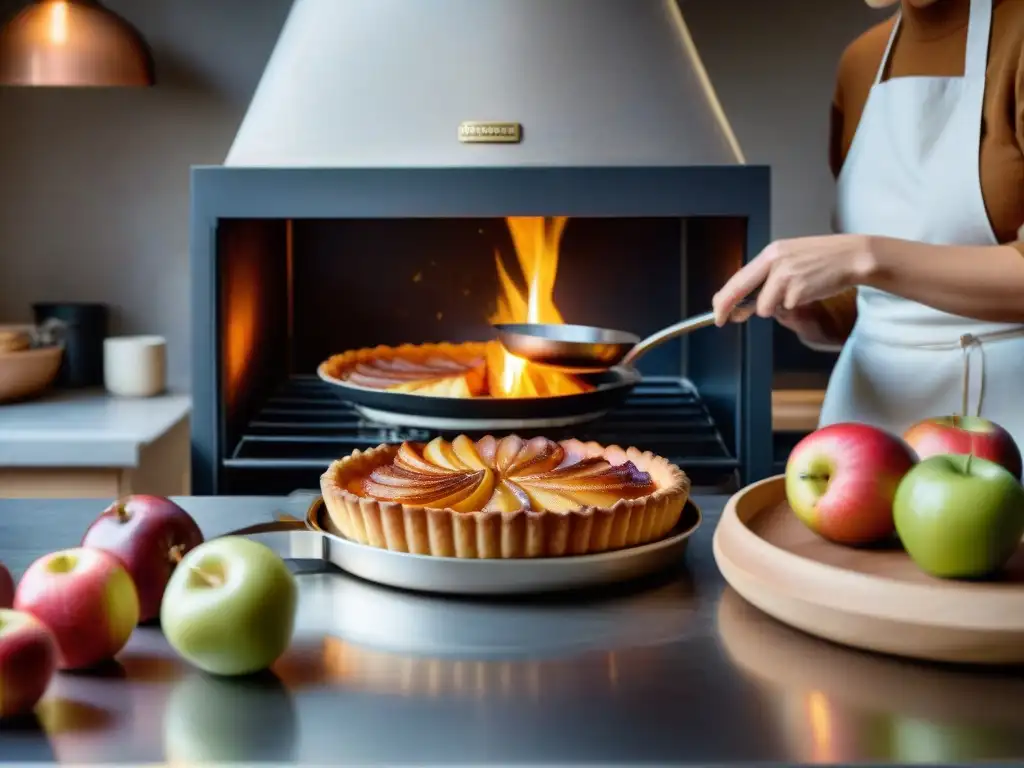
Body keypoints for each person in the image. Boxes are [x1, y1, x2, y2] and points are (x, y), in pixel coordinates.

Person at [712, 0, 1024, 446]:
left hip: (1005, 431)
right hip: (862, 428)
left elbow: (874, 262)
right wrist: (815, 314)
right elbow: (879, 295)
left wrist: (863, 256)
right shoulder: (861, 61)